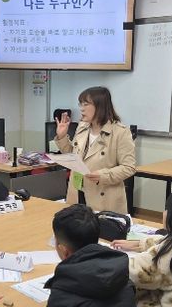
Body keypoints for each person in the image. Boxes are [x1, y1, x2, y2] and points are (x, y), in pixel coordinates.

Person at [54, 86, 136, 214]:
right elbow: (73, 156)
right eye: (80, 104)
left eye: (86, 104)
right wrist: (62, 136)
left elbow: (129, 167)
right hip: (77, 191)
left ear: (100, 106)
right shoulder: (82, 127)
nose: (81, 108)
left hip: (103, 197)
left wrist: (103, 175)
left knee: (99, 226)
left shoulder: (120, 132)